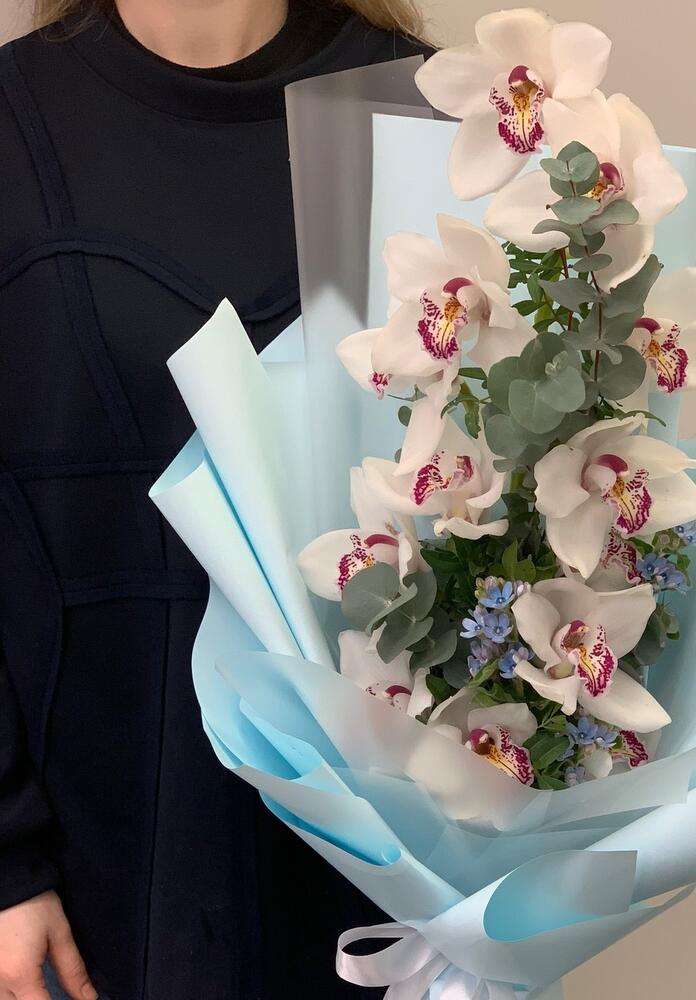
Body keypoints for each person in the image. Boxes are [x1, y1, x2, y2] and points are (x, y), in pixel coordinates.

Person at [0, 1, 431, 997]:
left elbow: (518, 512)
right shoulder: (12, 124)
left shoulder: (436, 116)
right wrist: (5, 863)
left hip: (386, 875)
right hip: (79, 878)